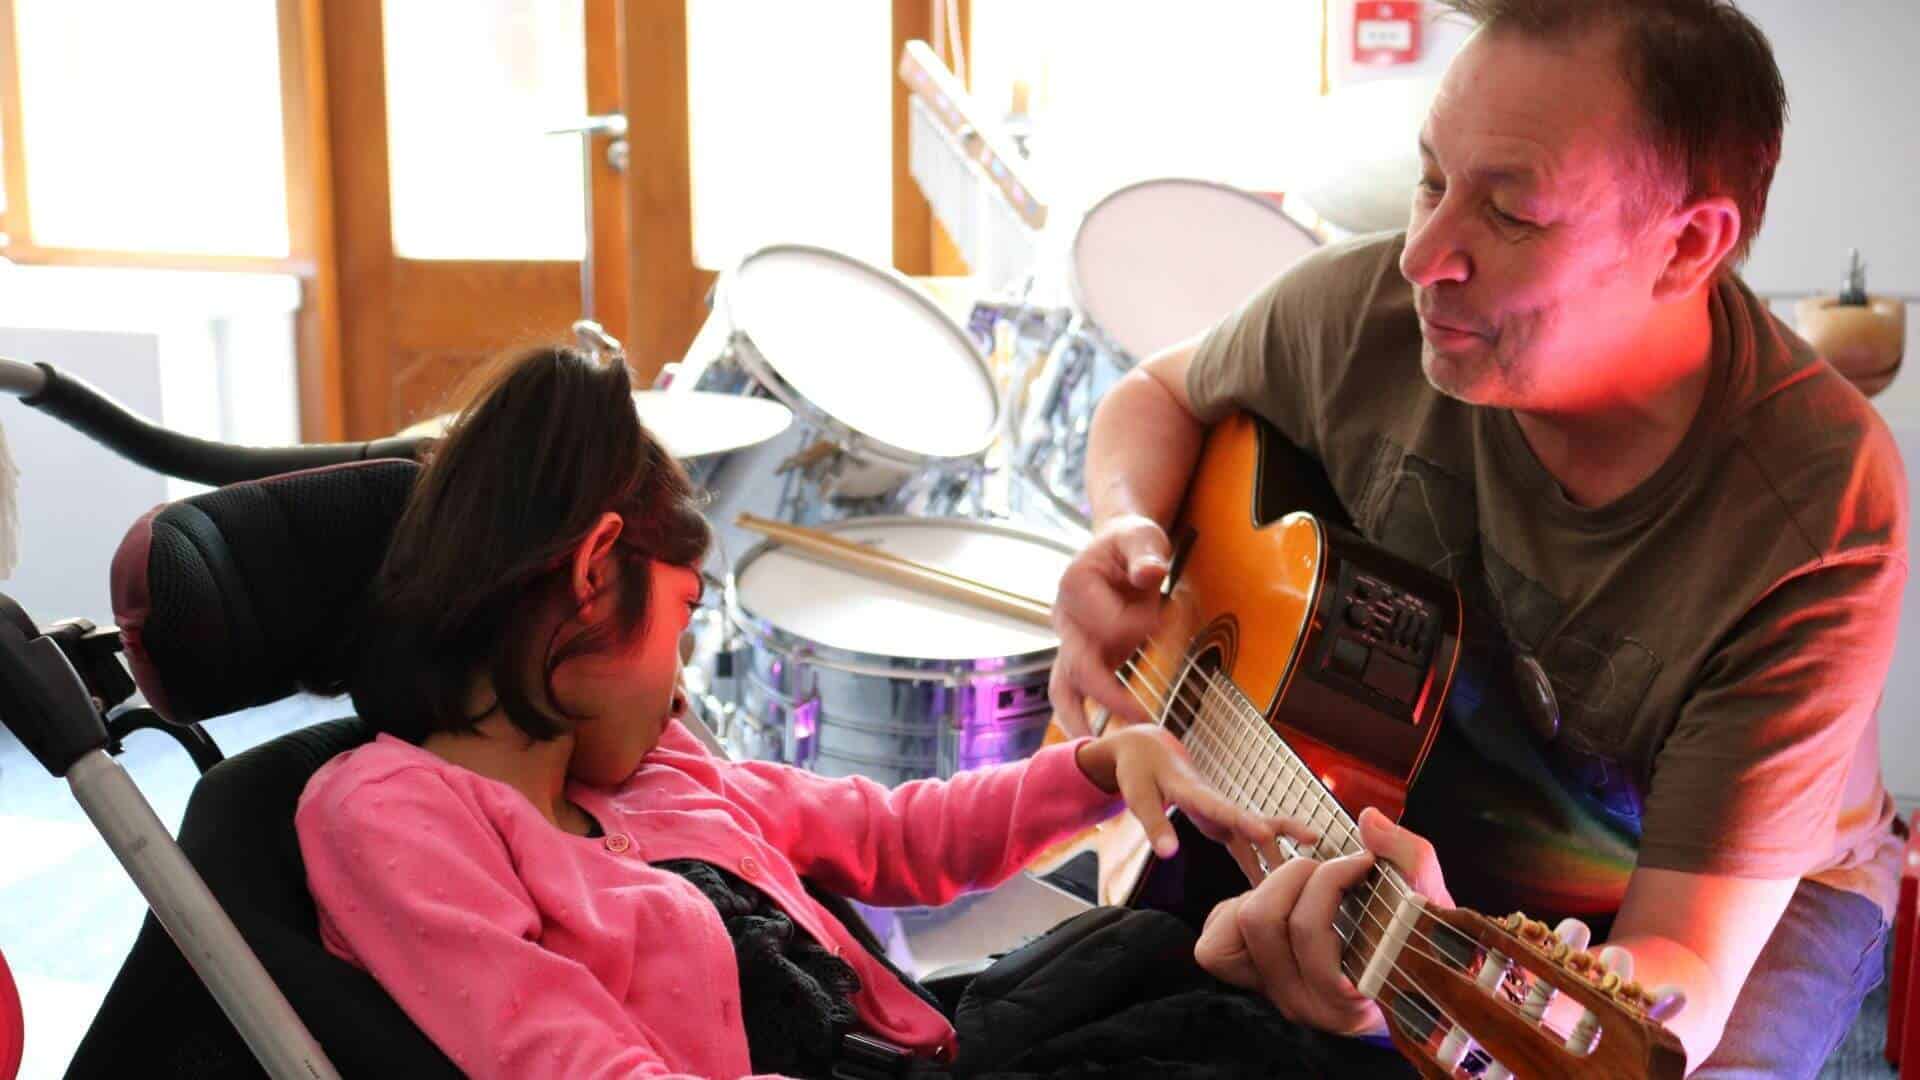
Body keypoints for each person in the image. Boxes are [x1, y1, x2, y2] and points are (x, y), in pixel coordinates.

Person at [1047, 1, 1906, 1076]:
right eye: (1429, 180)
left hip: (1741, 897)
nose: (1421, 254)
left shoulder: (1815, 509)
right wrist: (1125, 530)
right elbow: (1159, 391)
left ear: (1688, 244)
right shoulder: (1370, 312)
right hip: (1438, 807)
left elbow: (1685, 955)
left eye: (1508, 213)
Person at [294, 345, 1319, 1080]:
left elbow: (892, 837)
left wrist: (1094, 770)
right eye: (685, 618)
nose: (684, 678)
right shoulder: (390, 813)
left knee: (1175, 973)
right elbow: (561, 1058)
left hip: (931, 1047)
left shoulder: (658, 771)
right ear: (597, 576)